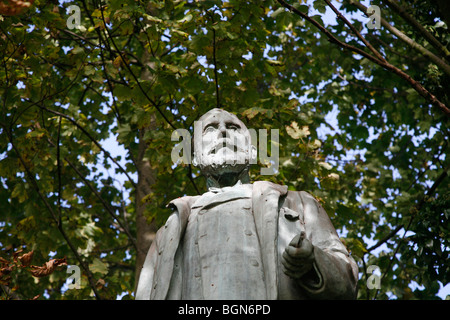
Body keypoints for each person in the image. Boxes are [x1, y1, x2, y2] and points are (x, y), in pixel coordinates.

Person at [135, 108, 358, 300]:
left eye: (233, 128)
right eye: (210, 130)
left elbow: (347, 281)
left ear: (252, 151)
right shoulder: (170, 232)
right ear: (195, 156)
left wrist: (313, 262)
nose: (223, 132)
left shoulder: (297, 203)